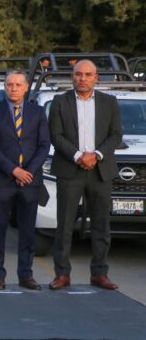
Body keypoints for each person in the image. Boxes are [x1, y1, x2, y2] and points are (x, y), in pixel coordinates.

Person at [48, 60, 123, 291]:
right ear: (72, 76)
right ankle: (62, 274)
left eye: (88, 74)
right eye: (78, 74)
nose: (82, 78)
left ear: (96, 77)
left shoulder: (109, 102)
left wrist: (96, 155)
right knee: (65, 224)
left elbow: (116, 135)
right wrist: (79, 155)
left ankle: (99, 274)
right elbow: (56, 136)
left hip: (101, 171)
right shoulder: (60, 101)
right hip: (70, 169)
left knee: (101, 224)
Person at [0, 71, 50, 291]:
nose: (13, 88)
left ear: (26, 87)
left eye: (17, 85)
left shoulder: (38, 112)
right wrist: (14, 170)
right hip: (2, 180)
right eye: (9, 84)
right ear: (4, 87)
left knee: (27, 231)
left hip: (29, 181)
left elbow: (43, 146)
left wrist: (27, 171)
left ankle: (26, 274)